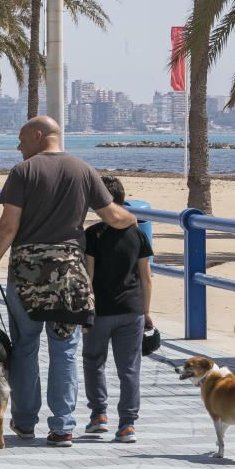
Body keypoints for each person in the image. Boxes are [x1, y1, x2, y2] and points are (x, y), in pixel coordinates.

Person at [0, 116, 136, 447]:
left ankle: (24, 422)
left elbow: (8, 226)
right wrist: (135, 219)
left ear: (38, 136)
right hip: (69, 275)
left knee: (24, 346)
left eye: (22, 140)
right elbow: (112, 216)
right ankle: (63, 426)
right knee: (64, 349)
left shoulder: (24, 172)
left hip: (27, 274)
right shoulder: (83, 169)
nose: (19, 147)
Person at [82, 175, 154, 444]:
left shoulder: (93, 235)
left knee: (93, 362)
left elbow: (88, 277)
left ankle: (99, 415)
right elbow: (146, 277)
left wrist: (85, 311)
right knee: (129, 368)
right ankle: (127, 425)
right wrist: (146, 312)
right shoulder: (137, 233)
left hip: (100, 310)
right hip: (132, 309)